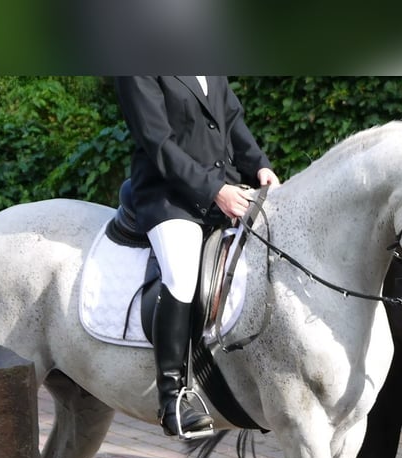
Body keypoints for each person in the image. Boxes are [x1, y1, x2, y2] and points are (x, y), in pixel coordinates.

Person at [115, 76, 280, 436]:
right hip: (167, 197)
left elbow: (232, 119)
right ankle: (172, 397)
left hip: (224, 189)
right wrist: (215, 191)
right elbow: (158, 142)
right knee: (182, 274)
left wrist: (259, 165)